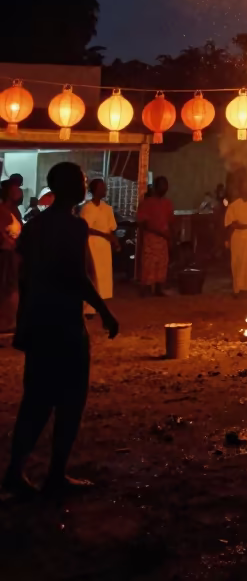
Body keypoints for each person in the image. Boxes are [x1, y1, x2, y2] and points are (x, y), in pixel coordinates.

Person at [2, 162, 119, 498]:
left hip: (39, 322)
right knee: (70, 401)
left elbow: (25, 275)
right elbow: (76, 277)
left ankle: (15, 471)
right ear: (71, 187)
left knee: (35, 401)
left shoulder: (35, 225)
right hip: (64, 324)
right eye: (82, 180)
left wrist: (25, 317)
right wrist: (105, 311)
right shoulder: (73, 226)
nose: (86, 184)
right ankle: (55, 474)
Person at [79, 179, 118, 301]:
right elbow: (85, 228)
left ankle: (101, 300)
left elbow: (111, 228)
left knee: (104, 274)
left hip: (104, 247)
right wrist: (105, 235)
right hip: (92, 245)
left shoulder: (107, 208)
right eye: (102, 187)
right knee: (93, 273)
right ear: (94, 190)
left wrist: (113, 240)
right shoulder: (87, 208)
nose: (105, 190)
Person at [136, 176, 174, 296]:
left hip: (164, 239)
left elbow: (171, 221)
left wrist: (171, 236)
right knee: (149, 263)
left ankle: (158, 287)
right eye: (162, 185)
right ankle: (146, 288)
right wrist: (160, 232)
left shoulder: (167, 203)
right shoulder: (147, 203)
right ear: (156, 187)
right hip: (151, 238)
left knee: (162, 263)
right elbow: (143, 223)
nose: (165, 188)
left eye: (166, 185)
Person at [0, 183, 23, 332]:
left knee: (13, 286)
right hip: (5, 255)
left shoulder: (15, 211)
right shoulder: (2, 211)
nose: (20, 193)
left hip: (14, 254)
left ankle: (10, 322)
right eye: (16, 191)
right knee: (6, 287)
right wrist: (8, 241)